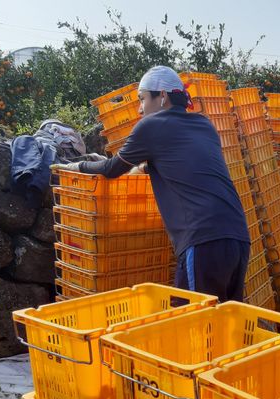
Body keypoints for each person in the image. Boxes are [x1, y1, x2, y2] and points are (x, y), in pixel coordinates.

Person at [59, 66, 250, 302]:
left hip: (203, 240)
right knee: (228, 322)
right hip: (238, 235)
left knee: (189, 321)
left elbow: (111, 169)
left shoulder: (151, 126)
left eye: (142, 99)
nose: (140, 109)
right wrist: (140, 168)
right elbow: (181, 163)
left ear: (162, 96)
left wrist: (75, 166)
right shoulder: (204, 125)